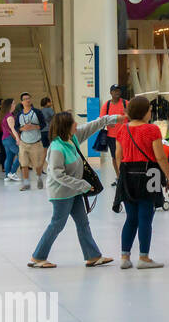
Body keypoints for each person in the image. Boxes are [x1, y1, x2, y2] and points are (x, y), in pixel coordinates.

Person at [28, 110, 125, 268]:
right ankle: (38, 257)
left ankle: (92, 256)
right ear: (65, 126)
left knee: (83, 223)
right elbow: (58, 175)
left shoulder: (72, 138)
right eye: (73, 122)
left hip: (74, 191)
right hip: (61, 193)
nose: (76, 124)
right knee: (57, 223)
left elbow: (94, 125)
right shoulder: (57, 148)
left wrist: (114, 118)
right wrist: (83, 185)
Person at [114, 96, 169, 269]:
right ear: (145, 112)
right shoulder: (152, 129)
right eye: (149, 110)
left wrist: (121, 175)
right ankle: (144, 258)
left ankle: (124, 257)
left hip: (127, 175)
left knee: (131, 218)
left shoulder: (122, 130)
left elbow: (118, 156)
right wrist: (168, 178)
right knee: (146, 216)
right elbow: (160, 156)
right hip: (150, 174)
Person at [11, 92, 47, 190]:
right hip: (24, 143)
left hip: (36, 142)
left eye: (29, 98)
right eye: (25, 99)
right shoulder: (19, 115)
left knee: (38, 164)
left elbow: (43, 124)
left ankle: (39, 178)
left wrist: (34, 126)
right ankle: (26, 183)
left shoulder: (37, 112)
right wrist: (23, 128)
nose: (27, 100)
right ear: (22, 102)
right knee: (24, 164)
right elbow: (16, 127)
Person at [99, 85, 127, 182]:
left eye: (118, 90)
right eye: (115, 91)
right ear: (111, 93)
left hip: (125, 136)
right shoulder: (106, 105)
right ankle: (119, 176)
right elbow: (102, 119)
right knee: (115, 157)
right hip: (112, 137)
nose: (117, 92)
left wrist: (127, 114)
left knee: (125, 156)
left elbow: (132, 116)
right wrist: (107, 122)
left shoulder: (125, 103)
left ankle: (126, 176)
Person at [0, 98, 19, 181]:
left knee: (9, 156)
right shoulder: (10, 116)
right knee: (22, 155)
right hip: (10, 139)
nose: (15, 105)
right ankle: (12, 173)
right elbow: (12, 129)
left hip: (5, 139)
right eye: (13, 103)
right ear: (9, 105)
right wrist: (18, 139)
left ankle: (7, 175)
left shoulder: (4, 115)